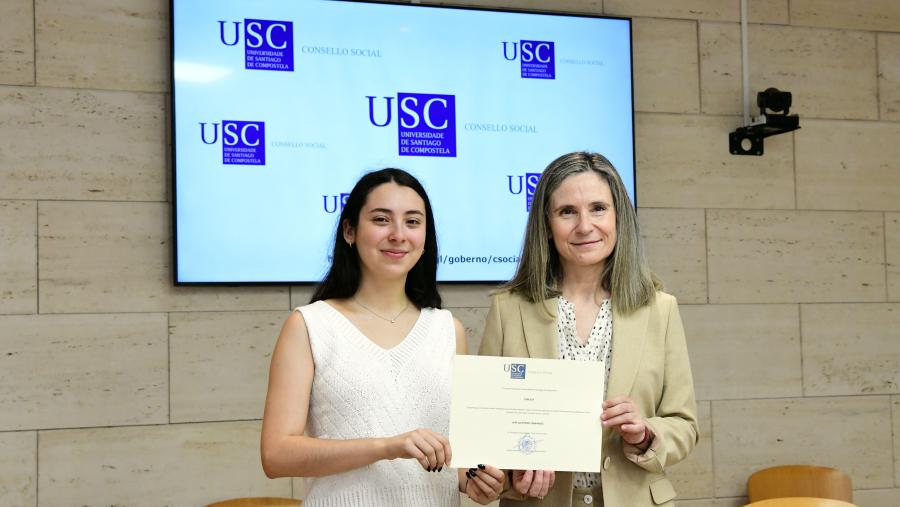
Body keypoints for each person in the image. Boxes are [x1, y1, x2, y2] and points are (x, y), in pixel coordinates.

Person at [260, 168, 505, 506]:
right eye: (381, 220)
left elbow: (457, 459)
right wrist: (386, 447)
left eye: (413, 222)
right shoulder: (310, 325)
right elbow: (276, 455)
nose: (398, 234)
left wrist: (477, 479)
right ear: (350, 230)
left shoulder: (448, 330)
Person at [479, 152, 699, 506]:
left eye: (598, 208)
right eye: (567, 211)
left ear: (618, 218)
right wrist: (512, 471)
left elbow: (684, 425)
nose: (585, 225)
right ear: (547, 226)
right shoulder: (509, 310)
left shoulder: (660, 309)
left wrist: (645, 434)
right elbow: (486, 431)